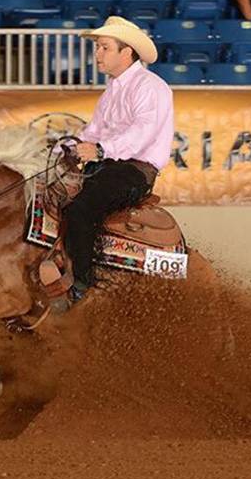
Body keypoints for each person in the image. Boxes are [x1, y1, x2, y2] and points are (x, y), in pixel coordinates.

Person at [61, 16, 174, 302]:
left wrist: (100, 150)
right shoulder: (112, 90)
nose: (97, 54)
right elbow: (93, 132)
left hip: (134, 171)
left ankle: (81, 288)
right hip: (107, 166)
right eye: (98, 47)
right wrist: (66, 148)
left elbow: (142, 133)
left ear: (127, 52)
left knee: (81, 210)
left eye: (104, 48)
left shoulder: (151, 87)